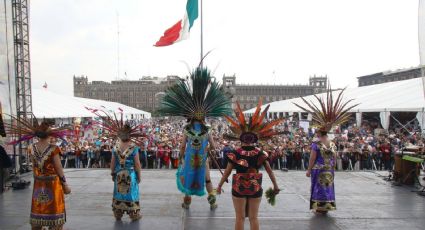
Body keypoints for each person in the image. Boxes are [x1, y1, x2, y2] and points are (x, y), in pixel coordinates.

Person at [158, 66, 232, 210]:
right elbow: (214, 146)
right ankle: (212, 202)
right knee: (207, 179)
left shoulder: (187, 129)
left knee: (188, 180)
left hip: (190, 159)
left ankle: (187, 202)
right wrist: (210, 149)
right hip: (203, 159)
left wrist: (180, 157)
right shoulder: (207, 129)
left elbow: (182, 147)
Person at [216, 100, 281, 230]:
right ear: (255, 139)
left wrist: (219, 185)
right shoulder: (260, 153)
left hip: (238, 187)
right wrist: (275, 186)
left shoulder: (235, 153)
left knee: (239, 218)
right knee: (254, 218)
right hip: (255, 186)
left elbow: (228, 172)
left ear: (241, 139)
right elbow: (270, 171)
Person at [294, 86, 358, 214]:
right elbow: (334, 157)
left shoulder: (316, 143)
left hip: (318, 168)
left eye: (317, 131)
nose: (316, 133)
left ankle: (319, 207)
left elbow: (312, 158)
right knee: (328, 187)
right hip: (329, 169)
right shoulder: (332, 143)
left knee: (318, 187)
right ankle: (327, 207)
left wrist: (308, 170)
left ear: (319, 132)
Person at [4, 117, 71, 230]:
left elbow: (34, 164)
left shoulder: (31, 148)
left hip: (39, 183)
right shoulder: (54, 149)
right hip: (52, 184)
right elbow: (59, 168)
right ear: (50, 134)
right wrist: (65, 184)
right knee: (54, 210)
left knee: (39, 207)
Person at [90, 109, 144, 221]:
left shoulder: (116, 147)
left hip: (118, 173)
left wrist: (112, 173)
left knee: (119, 192)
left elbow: (113, 162)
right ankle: (133, 213)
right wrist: (139, 176)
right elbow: (137, 164)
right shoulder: (133, 148)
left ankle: (118, 213)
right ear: (131, 135)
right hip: (130, 173)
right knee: (131, 192)